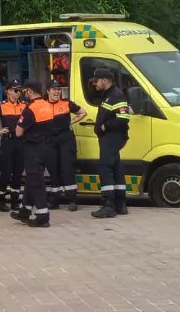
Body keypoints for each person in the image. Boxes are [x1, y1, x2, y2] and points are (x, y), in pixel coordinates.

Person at [90, 66, 130, 218]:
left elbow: (123, 118)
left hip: (111, 137)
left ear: (105, 80)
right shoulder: (109, 95)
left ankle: (108, 205)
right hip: (111, 138)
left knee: (105, 167)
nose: (95, 83)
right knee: (116, 168)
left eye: (97, 81)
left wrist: (104, 126)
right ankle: (120, 204)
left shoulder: (115, 95)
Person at [13, 80, 54, 228]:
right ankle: (24, 211)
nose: (23, 94)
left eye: (24, 91)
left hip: (33, 149)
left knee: (36, 182)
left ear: (29, 91)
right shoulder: (47, 105)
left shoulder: (30, 109)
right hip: (46, 147)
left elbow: (18, 132)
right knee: (31, 180)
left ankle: (42, 216)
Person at [45, 82, 85, 210]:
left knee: (68, 169)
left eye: (58, 89)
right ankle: (54, 200)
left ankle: (72, 200)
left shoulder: (66, 103)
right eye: (54, 89)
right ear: (48, 91)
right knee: (53, 170)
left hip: (66, 139)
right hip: (50, 140)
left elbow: (83, 113)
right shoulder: (43, 105)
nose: (57, 92)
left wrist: (71, 122)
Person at [0, 79, 26, 212]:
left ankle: (15, 201)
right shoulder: (1, 106)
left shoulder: (24, 105)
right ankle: (0, 202)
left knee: (18, 173)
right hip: (8, 142)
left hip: (20, 142)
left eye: (20, 90)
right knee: (6, 172)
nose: (18, 93)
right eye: (15, 90)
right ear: (8, 91)